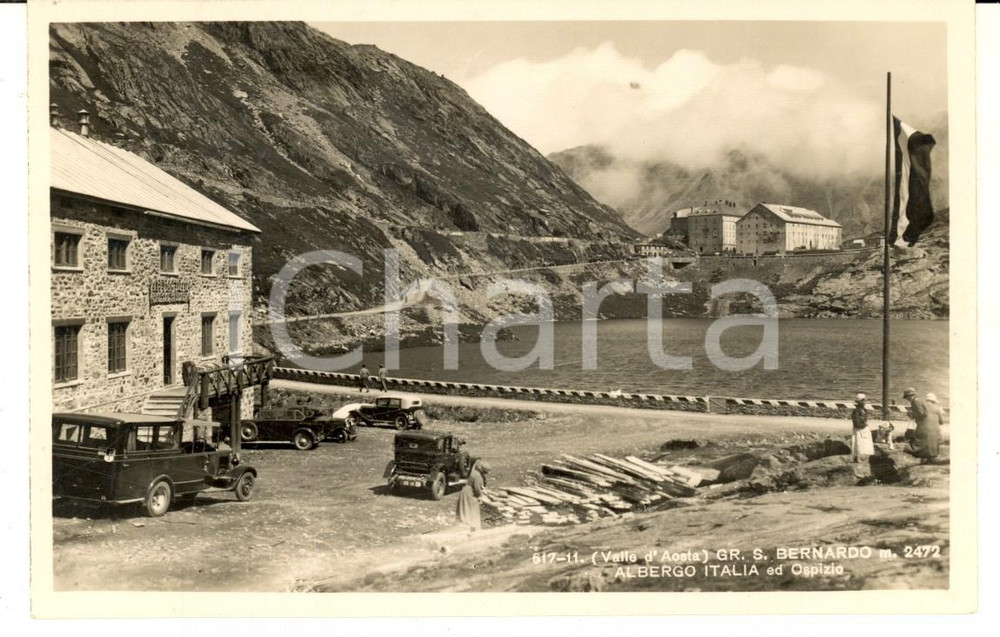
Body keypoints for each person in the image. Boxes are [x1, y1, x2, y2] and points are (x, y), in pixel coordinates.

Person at [904, 387, 939, 463]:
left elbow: (922, 413)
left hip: (924, 424)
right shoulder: (921, 400)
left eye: (906, 397)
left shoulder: (915, 402)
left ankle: (926, 459)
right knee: (927, 442)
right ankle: (929, 459)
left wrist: (912, 414)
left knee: (920, 442)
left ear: (910, 396)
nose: (907, 399)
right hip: (930, 423)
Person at [456, 460, 490, 531]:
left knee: (467, 509)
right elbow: (477, 489)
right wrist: (482, 496)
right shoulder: (477, 475)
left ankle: (468, 525)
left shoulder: (476, 473)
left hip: (468, 492)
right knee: (471, 509)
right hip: (469, 494)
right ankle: (471, 526)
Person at [850, 393, 874, 462]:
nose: (864, 402)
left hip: (864, 432)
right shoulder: (856, 411)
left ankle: (866, 459)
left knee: (866, 447)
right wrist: (864, 425)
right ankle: (860, 460)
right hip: (859, 432)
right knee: (860, 447)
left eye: (865, 400)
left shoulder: (864, 410)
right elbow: (856, 424)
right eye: (863, 400)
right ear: (859, 402)